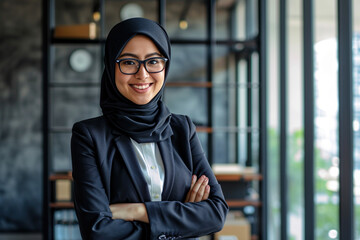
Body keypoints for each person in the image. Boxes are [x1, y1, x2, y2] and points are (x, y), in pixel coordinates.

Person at [71, 17, 228, 240]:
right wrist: (183, 221)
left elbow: (216, 213)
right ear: (110, 66)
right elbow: (97, 232)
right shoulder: (88, 136)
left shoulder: (182, 128)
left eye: (153, 61)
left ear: (166, 65)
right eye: (128, 62)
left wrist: (135, 211)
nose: (142, 74)